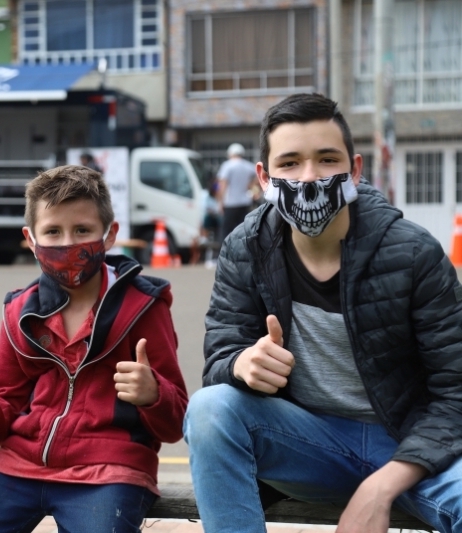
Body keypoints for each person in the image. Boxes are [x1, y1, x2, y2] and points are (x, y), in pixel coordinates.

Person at [183, 93, 462, 533]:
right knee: (210, 408)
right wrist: (242, 364)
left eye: (327, 160)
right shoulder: (245, 248)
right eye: (289, 163)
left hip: (411, 447)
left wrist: (383, 485)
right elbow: (219, 360)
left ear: (355, 169)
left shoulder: (413, 252)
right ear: (264, 176)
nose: (308, 178)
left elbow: (456, 391)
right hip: (308, 444)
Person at [0, 165, 189, 532]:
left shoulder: (145, 306)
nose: (67, 244)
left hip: (110, 472)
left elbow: (175, 424)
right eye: (53, 232)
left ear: (109, 236)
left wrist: (153, 394)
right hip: (20, 466)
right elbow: (2, 419)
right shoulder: (19, 311)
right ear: (31, 238)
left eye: (82, 231)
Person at [216, 142, 256, 242]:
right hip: (244, 203)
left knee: (226, 231)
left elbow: (222, 185)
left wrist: (220, 202)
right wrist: (250, 185)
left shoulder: (227, 166)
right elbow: (258, 177)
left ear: (230, 154)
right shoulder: (248, 166)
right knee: (243, 230)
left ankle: (225, 254)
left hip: (230, 204)